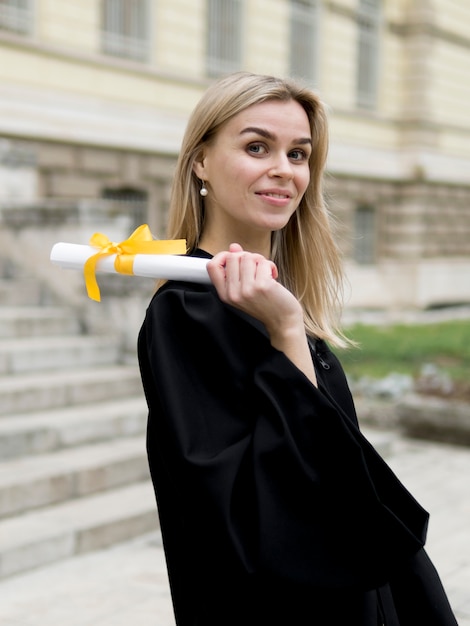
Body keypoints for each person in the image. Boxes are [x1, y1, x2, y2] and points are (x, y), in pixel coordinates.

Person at [138, 72, 457, 625]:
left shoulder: (275, 298)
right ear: (201, 162)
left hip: (363, 585)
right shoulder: (187, 313)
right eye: (256, 146)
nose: (284, 170)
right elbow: (255, 509)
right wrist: (287, 333)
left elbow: (344, 473)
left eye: (299, 153)